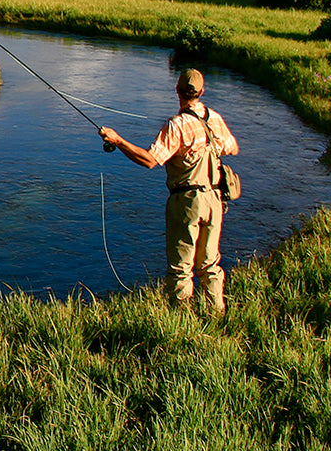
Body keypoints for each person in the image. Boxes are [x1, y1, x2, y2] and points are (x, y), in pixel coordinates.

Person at [99, 69, 239, 311]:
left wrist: (118, 140)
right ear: (202, 92)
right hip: (216, 199)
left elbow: (150, 160)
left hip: (187, 201)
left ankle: (181, 323)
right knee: (210, 264)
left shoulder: (177, 126)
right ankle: (216, 316)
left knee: (181, 268)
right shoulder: (215, 118)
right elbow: (232, 148)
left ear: (177, 91)